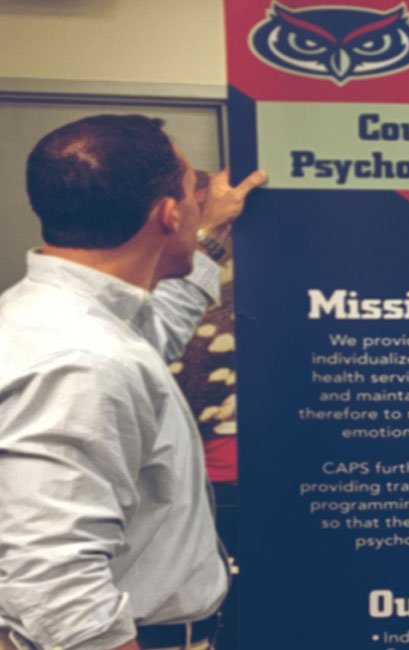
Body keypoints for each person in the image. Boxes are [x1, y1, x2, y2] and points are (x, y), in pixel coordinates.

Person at [0, 115, 266, 650]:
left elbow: (152, 334)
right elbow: (55, 586)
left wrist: (210, 237)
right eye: (190, 195)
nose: (196, 206)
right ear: (170, 214)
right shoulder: (80, 360)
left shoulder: (62, 317)